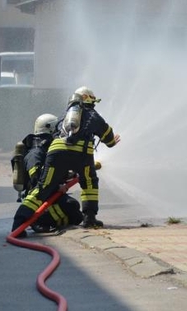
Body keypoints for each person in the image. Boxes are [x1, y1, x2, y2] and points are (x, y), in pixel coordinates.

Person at [12, 86, 120, 233]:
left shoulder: (64, 117)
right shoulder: (93, 115)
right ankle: (89, 219)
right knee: (89, 183)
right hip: (81, 154)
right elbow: (108, 139)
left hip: (56, 152)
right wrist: (112, 141)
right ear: (89, 100)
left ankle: (18, 222)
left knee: (43, 187)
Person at [11, 114, 83, 237]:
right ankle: (38, 221)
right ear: (49, 128)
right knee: (72, 208)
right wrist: (57, 187)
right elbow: (38, 180)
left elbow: (51, 172)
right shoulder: (36, 152)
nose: (59, 132)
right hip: (39, 201)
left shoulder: (45, 149)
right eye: (57, 129)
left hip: (46, 197)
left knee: (75, 211)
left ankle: (45, 219)